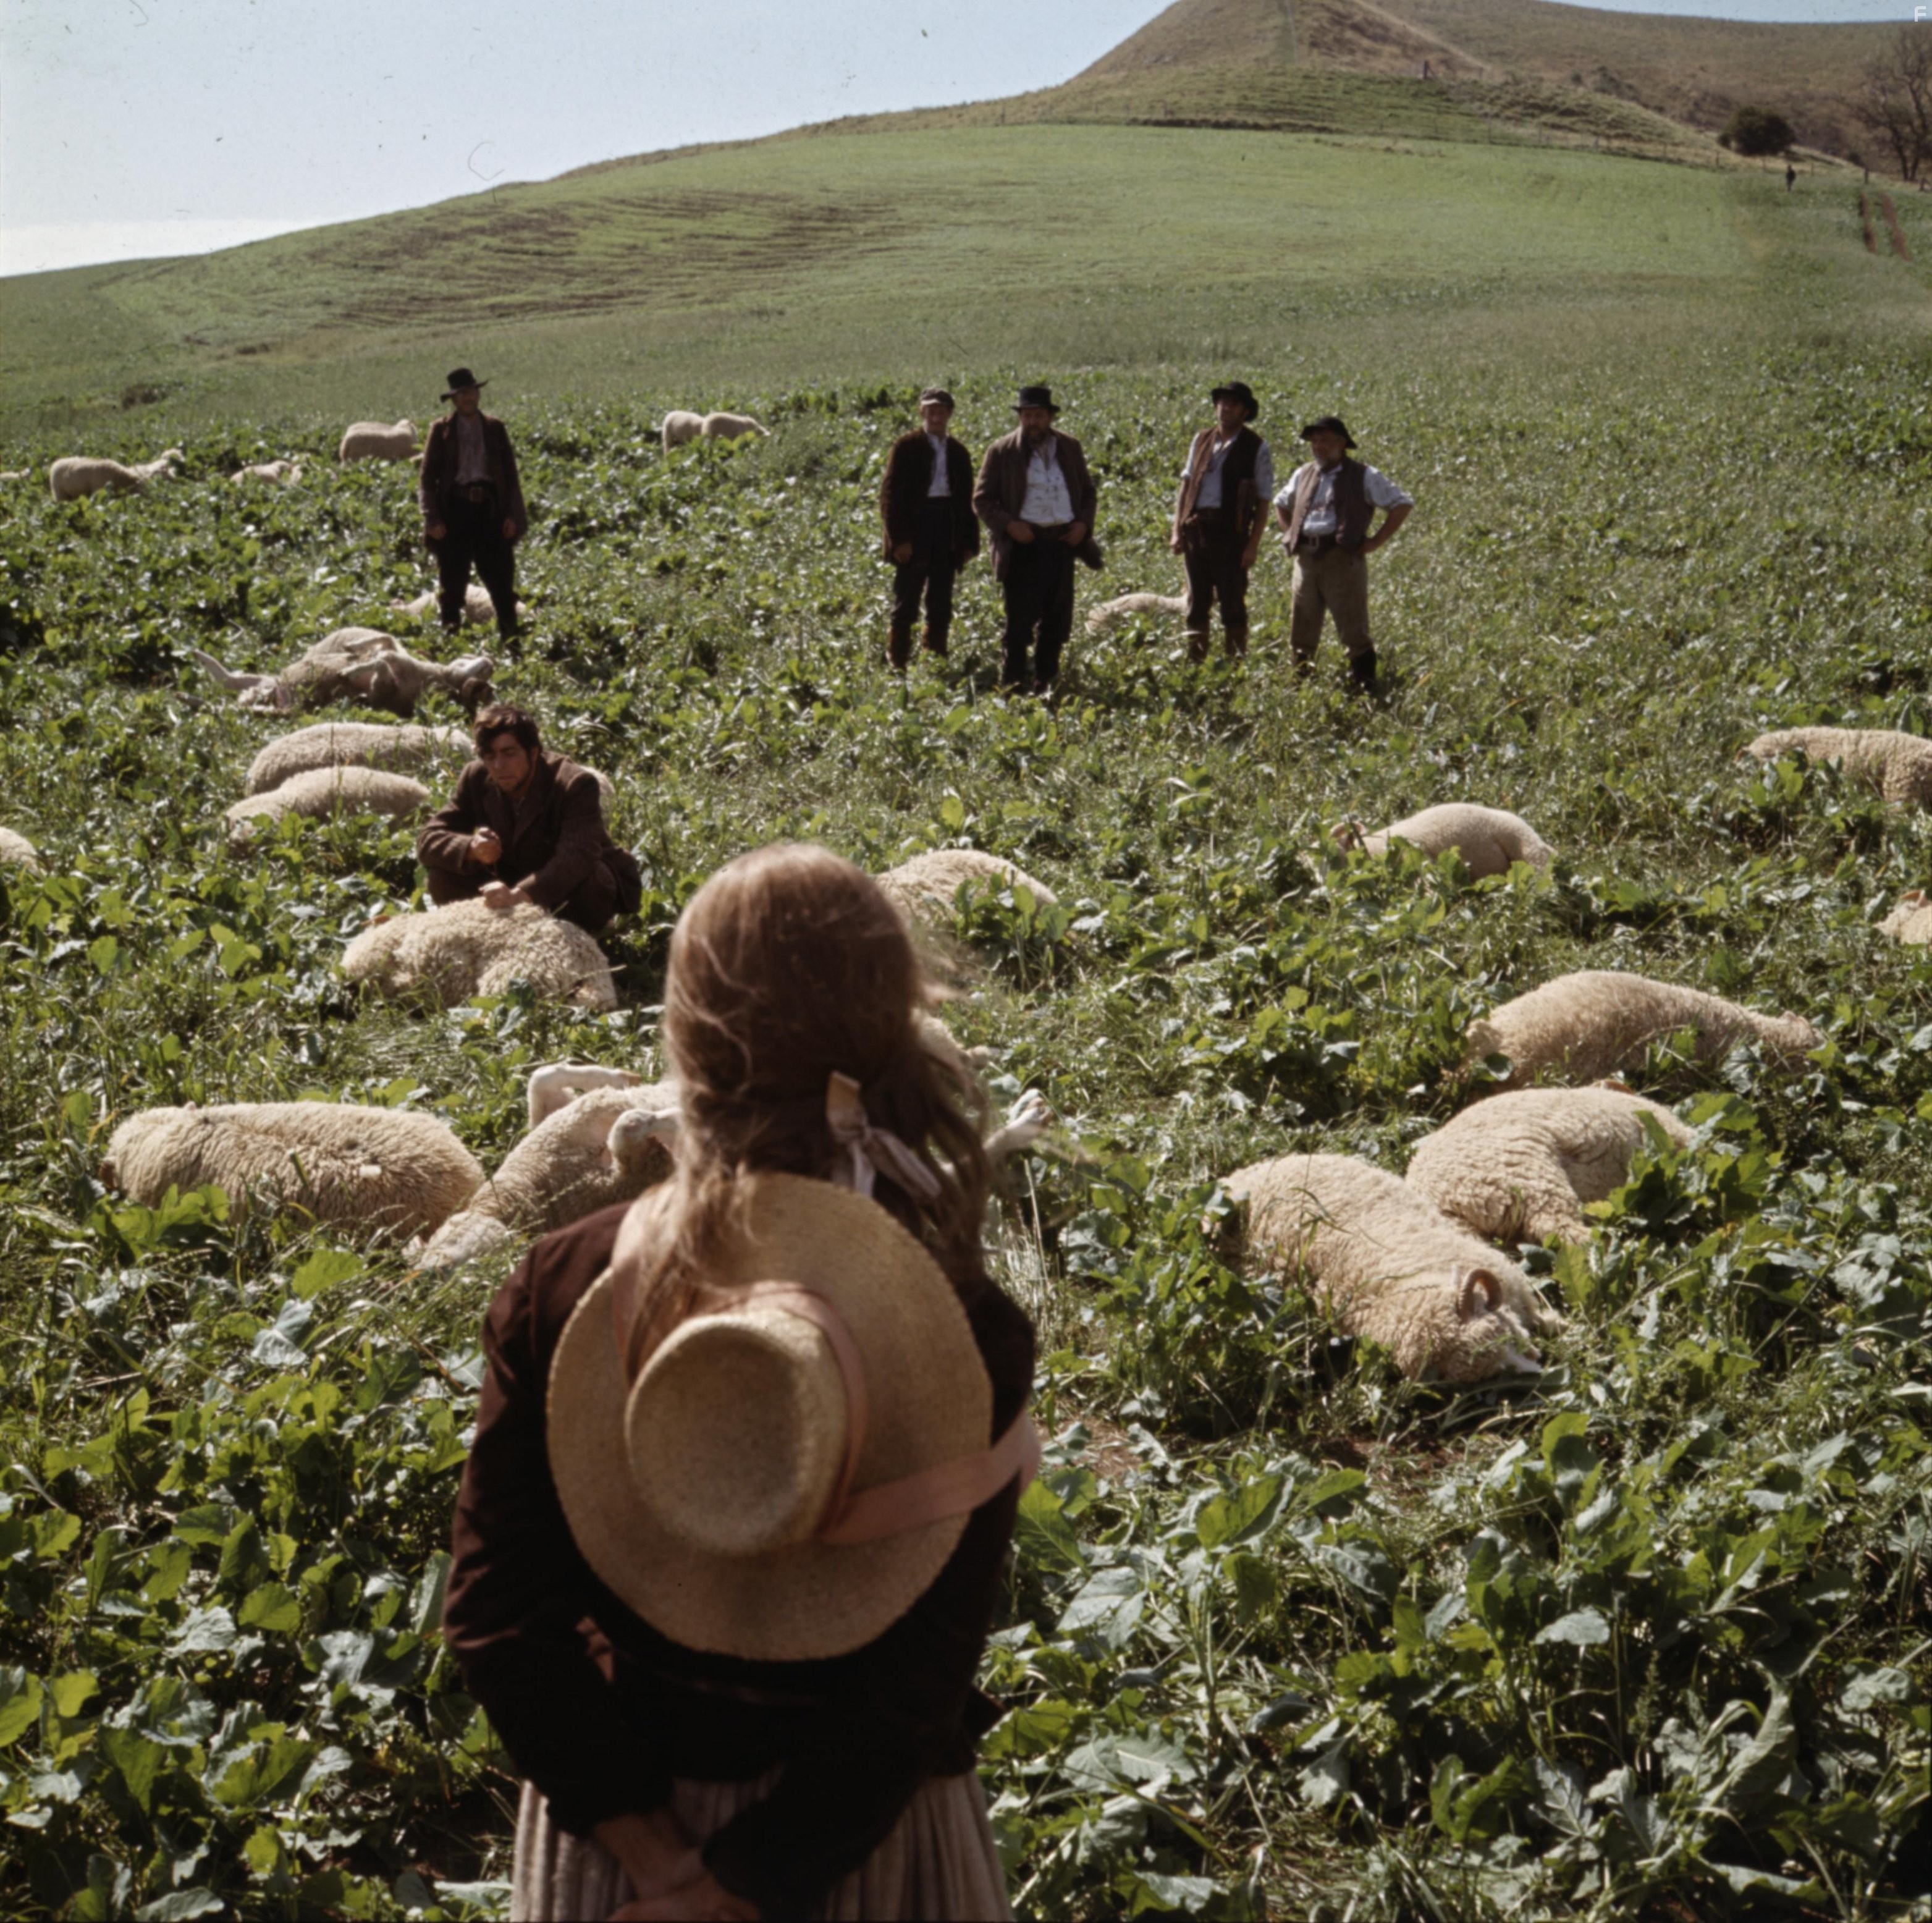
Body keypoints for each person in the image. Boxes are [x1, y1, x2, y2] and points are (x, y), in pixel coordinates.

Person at [444, 843, 1038, 1922]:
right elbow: (920, 1680)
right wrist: (750, 1882)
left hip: (619, 1845)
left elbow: (498, 1615)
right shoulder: (967, 1328)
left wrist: (663, 1867)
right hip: (857, 1852)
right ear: (896, 1022)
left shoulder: (566, 1283)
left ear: (685, 1040)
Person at [416, 704, 641, 933]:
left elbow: (577, 855)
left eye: (509, 753)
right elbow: (428, 839)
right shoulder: (476, 777)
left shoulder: (574, 783)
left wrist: (521, 896)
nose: (498, 766)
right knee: (441, 878)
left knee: (595, 880)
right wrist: (472, 849)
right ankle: (488, 938)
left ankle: (583, 943)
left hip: (558, 885)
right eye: (489, 755)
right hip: (510, 877)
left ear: (533, 753)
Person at [972, 384, 1100, 695]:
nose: (1032, 422)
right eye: (1027, 416)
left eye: (1038, 416)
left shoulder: (1070, 447)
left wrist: (1083, 524)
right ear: (1020, 417)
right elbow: (982, 500)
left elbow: (1087, 493)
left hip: (1061, 544)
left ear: (1050, 417)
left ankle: (1046, 682)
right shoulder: (1002, 451)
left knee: (1056, 620)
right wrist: (1010, 525)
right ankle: (1014, 685)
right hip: (1023, 547)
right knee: (1019, 623)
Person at [1273, 415, 1413, 690]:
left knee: (1353, 628)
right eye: (1314, 440)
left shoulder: (1364, 475)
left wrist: (1374, 542)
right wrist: (1291, 534)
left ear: (1342, 443)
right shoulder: (1303, 473)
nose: (1317, 445)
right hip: (1305, 560)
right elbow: (1281, 503)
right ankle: (1301, 687)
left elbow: (1402, 504)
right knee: (1302, 627)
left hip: (1342, 559)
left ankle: (1365, 689)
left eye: (1324, 440)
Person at [419, 367, 529, 638]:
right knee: (452, 585)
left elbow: (511, 477)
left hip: (490, 511)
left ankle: (511, 642)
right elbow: (426, 479)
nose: (467, 398)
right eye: (460, 394)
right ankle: (451, 643)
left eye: (470, 392)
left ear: (478, 393)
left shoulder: (495, 428)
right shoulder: (441, 430)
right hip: (455, 512)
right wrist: (432, 518)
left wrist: (513, 516)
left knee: (502, 582)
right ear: (454, 400)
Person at [1170, 381, 1275, 662]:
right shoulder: (1201, 439)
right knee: (1196, 603)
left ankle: (1234, 667)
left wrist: (1253, 545)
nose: (1225, 408)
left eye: (1233, 404)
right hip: (1197, 531)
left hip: (1231, 536)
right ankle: (1196, 663)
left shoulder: (1256, 447)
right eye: (1222, 402)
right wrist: (1177, 530)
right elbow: (1186, 486)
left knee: (1232, 604)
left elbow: (1264, 501)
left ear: (1245, 411)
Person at [879, 388, 981, 670]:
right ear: (922, 412)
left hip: (946, 527)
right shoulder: (906, 446)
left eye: (941, 411)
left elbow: (966, 499)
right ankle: (897, 661)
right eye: (930, 411)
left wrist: (969, 543)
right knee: (907, 598)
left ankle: (934, 660)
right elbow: (890, 497)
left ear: (949, 414)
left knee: (941, 600)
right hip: (915, 527)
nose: (936, 416)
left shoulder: (959, 452)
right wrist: (899, 539)